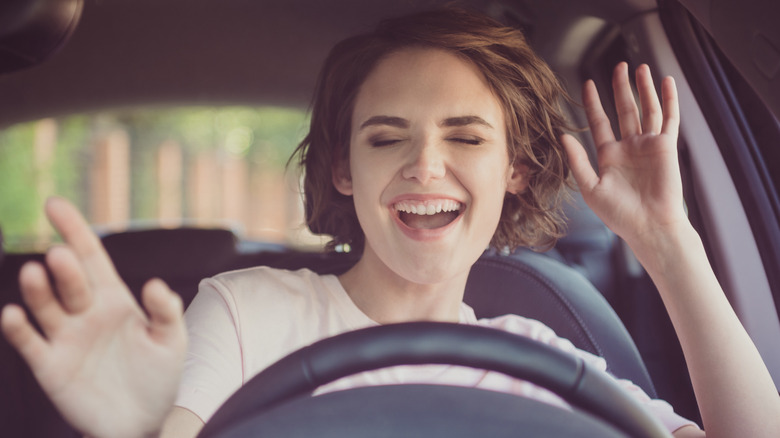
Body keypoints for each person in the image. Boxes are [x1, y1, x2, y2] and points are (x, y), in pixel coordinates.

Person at [2, 7, 779, 438]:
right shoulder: (250, 310)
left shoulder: (545, 359)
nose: (425, 166)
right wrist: (143, 429)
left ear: (515, 169)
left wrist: (670, 244)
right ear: (345, 168)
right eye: (386, 138)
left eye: (466, 137)